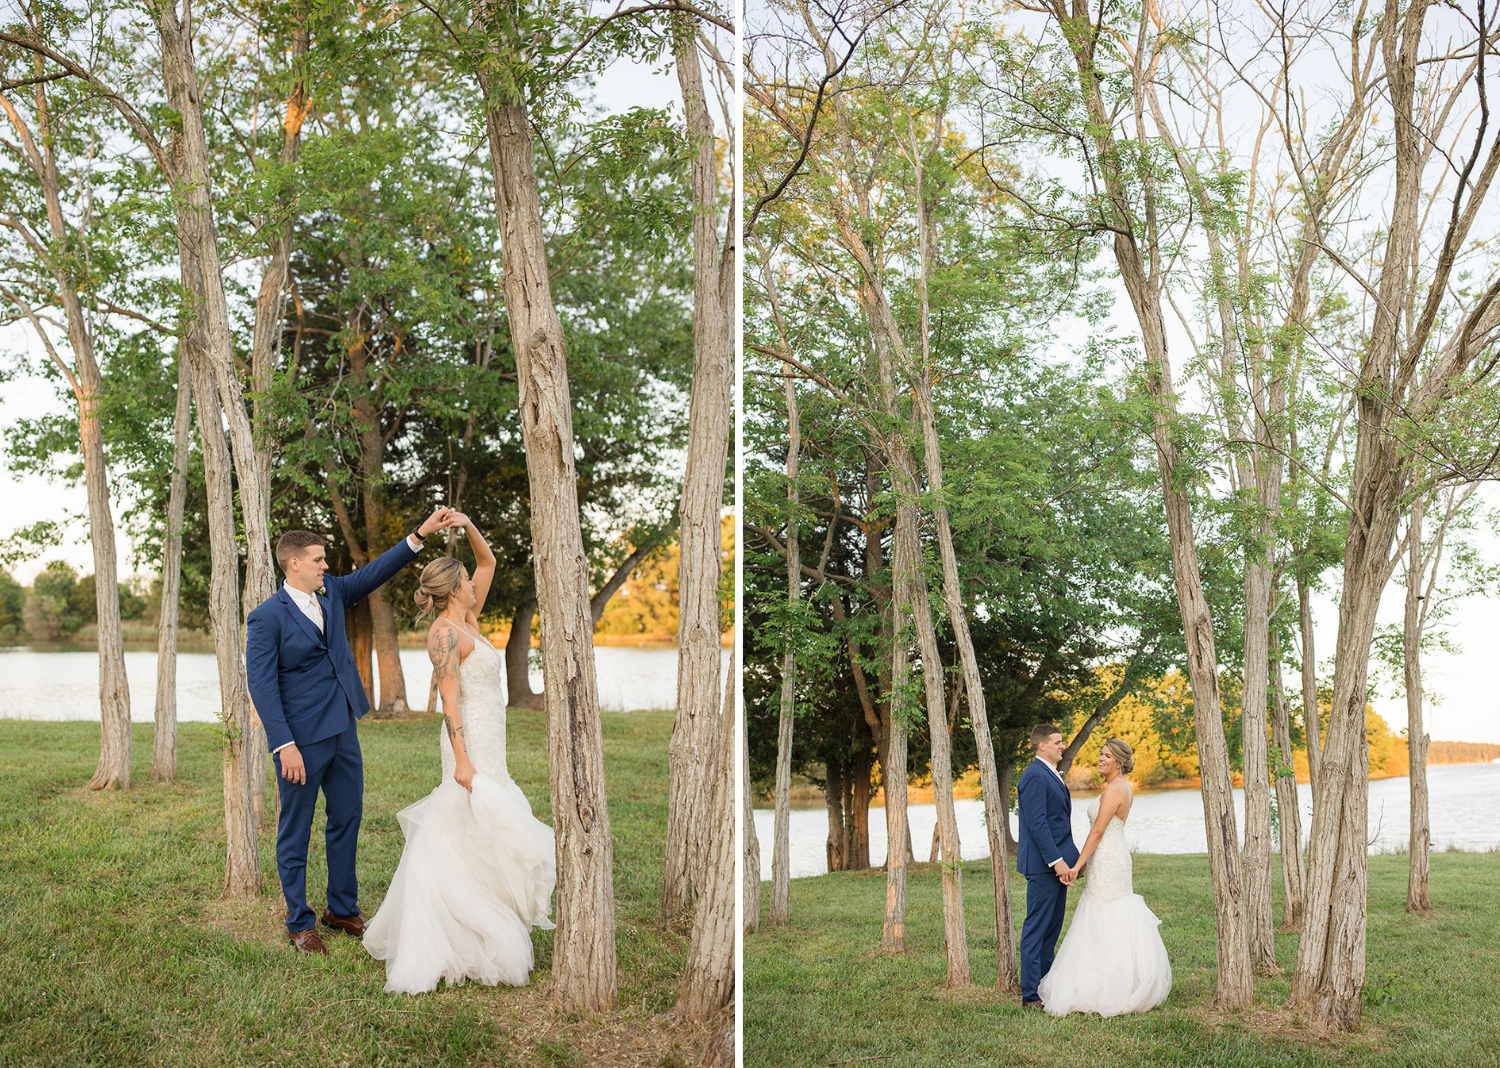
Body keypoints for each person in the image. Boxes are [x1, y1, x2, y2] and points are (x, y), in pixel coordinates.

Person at [246, 507, 458, 954]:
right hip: (299, 741)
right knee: (295, 829)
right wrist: (283, 745)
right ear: (294, 564)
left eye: (326, 560)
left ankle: (341, 908)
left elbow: (377, 571)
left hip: (343, 730)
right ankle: (299, 921)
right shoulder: (267, 618)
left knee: (347, 819)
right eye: (319, 560)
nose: (327, 566)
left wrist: (419, 533)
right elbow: (262, 686)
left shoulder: (333, 593)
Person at [362, 514, 556, 993]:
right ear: (453, 591)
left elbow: (488, 559)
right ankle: (461, 933)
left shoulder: (468, 620)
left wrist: (470, 524)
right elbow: (449, 700)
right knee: (465, 823)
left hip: (493, 740)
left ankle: (489, 917)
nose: (474, 583)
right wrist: (463, 760)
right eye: (466, 580)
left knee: (489, 827)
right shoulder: (445, 635)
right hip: (469, 745)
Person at [1038, 737, 1173, 1016]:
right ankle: (1096, 977)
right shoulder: (1116, 786)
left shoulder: (1116, 789)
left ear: (1120, 762)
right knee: (1099, 913)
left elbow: (1098, 832)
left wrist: (1075, 866)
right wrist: (1086, 862)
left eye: (1108, 756)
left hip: (1110, 859)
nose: (1101, 759)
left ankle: (1112, 984)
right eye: (1101, 754)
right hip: (1106, 857)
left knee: (1109, 914)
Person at [1016, 722, 1080, 1010]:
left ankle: (1045, 985)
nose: (1061, 745)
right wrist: (1057, 862)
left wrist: (1071, 861)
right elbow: (1038, 824)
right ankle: (1030, 995)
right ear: (1041, 744)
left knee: (1052, 929)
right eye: (1057, 741)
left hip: (1058, 865)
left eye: (1062, 741)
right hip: (1044, 866)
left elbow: (1057, 822)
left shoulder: (1050, 774)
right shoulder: (1034, 776)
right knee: (1036, 928)